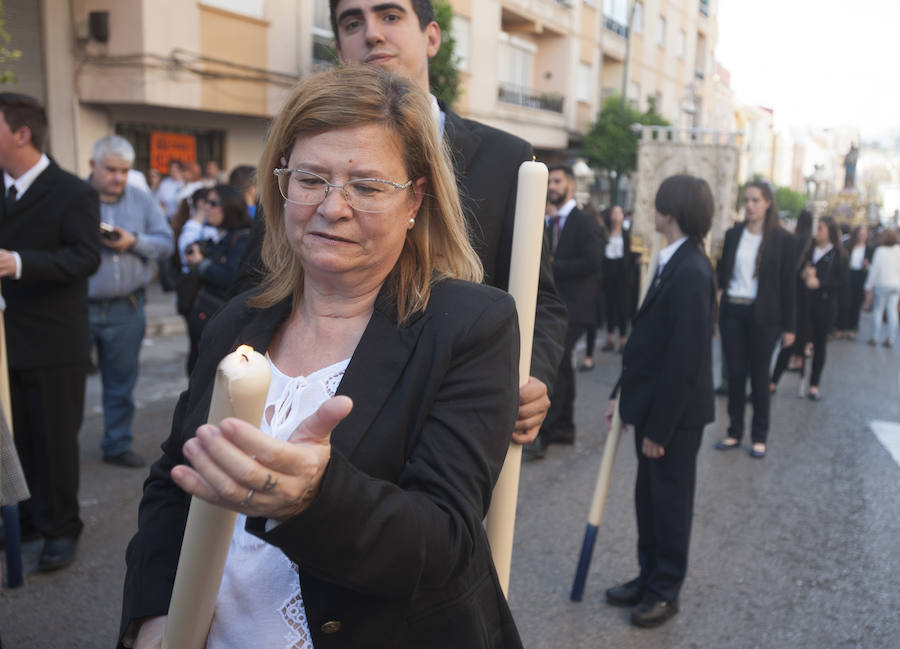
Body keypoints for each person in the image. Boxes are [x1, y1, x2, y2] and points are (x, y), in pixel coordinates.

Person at [120, 65, 523, 649]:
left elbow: (443, 542)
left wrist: (313, 499)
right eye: (311, 179)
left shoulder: (469, 326)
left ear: (415, 198)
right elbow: (172, 483)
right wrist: (156, 618)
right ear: (280, 183)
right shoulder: (238, 322)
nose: (332, 207)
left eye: (366, 186)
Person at [234, 0, 567, 447]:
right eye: (353, 22)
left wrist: (532, 372)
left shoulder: (506, 159)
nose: (371, 33)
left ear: (431, 37)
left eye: (390, 16)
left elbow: (536, 296)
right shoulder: (299, 150)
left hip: (446, 420)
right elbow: (258, 281)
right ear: (338, 46)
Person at [605, 175, 716, 628]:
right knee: (648, 500)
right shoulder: (672, 260)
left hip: (673, 417)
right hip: (651, 405)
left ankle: (665, 590)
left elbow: (684, 360)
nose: (651, 207)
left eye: (657, 202)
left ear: (671, 211)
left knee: (669, 504)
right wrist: (621, 395)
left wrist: (659, 429)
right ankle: (648, 576)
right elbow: (648, 343)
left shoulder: (692, 270)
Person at [0, 93, 101, 571]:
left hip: (55, 340)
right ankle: (25, 519)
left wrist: (19, 263)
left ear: (21, 134)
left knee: (55, 441)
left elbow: (86, 257)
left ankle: (63, 527)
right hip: (6, 341)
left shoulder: (72, 191)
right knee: (15, 439)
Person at [87, 135, 173, 468]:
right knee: (61, 386)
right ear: (93, 165)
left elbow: (166, 243)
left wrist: (133, 241)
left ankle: (117, 443)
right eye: (111, 169)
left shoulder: (142, 199)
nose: (118, 177)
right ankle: (56, 449)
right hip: (77, 306)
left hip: (127, 307)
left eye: (124, 170)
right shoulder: (74, 197)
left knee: (121, 382)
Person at [526, 164, 604, 460]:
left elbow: (593, 262)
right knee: (563, 368)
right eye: (550, 182)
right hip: (551, 307)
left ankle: (542, 436)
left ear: (570, 183)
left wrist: (552, 265)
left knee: (553, 363)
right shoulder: (545, 222)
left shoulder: (585, 222)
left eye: (557, 181)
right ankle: (564, 428)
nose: (552, 187)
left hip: (576, 307)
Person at [715, 180, 796, 459]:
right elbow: (723, 273)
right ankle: (734, 431)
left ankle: (759, 435)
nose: (749, 206)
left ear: (768, 203)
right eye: (746, 200)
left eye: (755, 200)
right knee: (735, 375)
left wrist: (789, 327)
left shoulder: (782, 240)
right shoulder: (733, 234)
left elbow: (788, 284)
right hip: (734, 311)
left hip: (765, 316)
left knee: (760, 376)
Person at [770, 217, 847, 400]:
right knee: (790, 342)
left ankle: (814, 385)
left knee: (819, 345)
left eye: (820, 228)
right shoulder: (807, 250)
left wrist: (820, 283)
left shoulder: (839, 254)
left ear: (829, 231)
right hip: (802, 305)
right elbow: (793, 274)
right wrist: (803, 274)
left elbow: (842, 283)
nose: (816, 232)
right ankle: (773, 381)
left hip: (824, 307)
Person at [183, 185, 252, 374]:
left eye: (213, 203)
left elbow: (232, 277)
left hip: (221, 318)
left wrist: (202, 264)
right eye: (205, 202)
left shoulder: (243, 239)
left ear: (230, 207)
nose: (207, 207)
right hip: (205, 315)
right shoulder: (220, 234)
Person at [602, 204, 634, 352]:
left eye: (618, 212)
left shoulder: (627, 234)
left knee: (622, 307)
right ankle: (610, 338)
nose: (615, 215)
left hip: (623, 274)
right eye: (613, 212)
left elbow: (630, 255)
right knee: (610, 306)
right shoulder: (605, 233)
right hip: (609, 272)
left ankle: (623, 339)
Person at [864, 229, 900, 348]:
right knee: (892, 311)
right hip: (895, 285)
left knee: (878, 310)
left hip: (882, 284)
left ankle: (875, 337)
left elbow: (875, 270)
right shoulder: (898, 251)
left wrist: (868, 286)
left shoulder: (880, 251)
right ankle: (891, 338)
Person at [839, 223, 872, 339]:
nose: (862, 236)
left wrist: (867, 265)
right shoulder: (849, 245)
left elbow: (872, 265)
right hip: (849, 274)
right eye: (861, 234)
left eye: (864, 234)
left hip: (860, 276)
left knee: (856, 303)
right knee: (845, 301)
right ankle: (842, 327)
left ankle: (852, 327)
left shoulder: (869, 249)